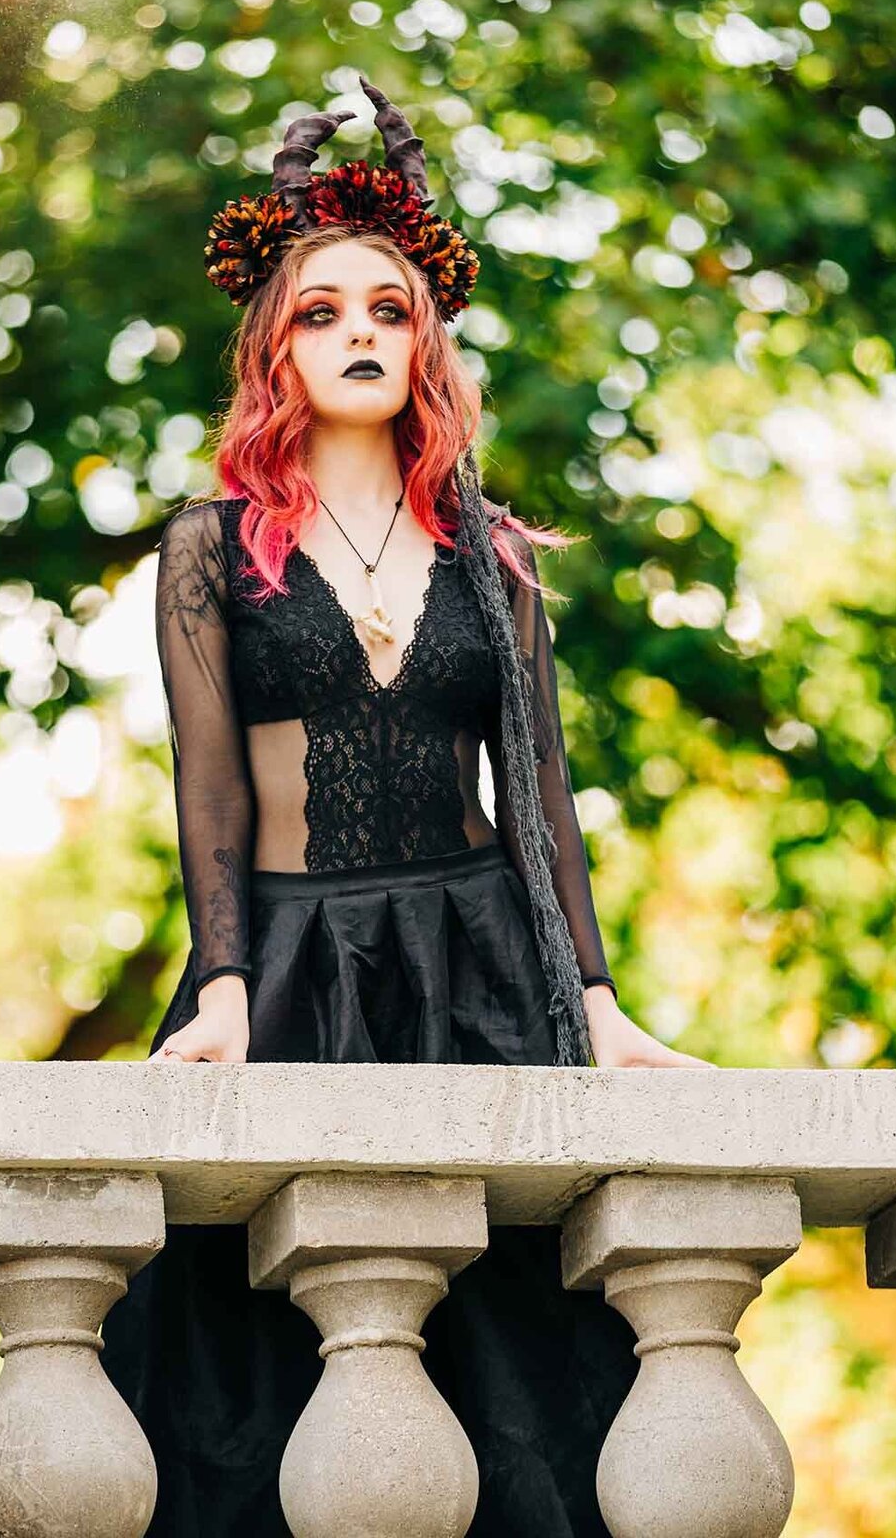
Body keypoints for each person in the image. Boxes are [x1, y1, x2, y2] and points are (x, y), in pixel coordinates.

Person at [100, 74, 716, 1537]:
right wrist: (229, 982)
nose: (359, 333)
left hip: (480, 969)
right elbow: (210, 791)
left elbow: (544, 789)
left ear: (423, 341)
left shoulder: (489, 555)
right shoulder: (209, 548)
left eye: (386, 309)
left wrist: (602, 1004)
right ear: (274, 350)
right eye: (321, 313)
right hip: (294, 972)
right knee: (260, 1383)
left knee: (513, 1380)